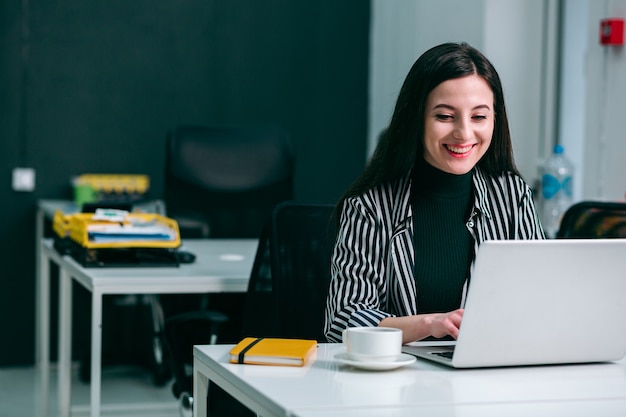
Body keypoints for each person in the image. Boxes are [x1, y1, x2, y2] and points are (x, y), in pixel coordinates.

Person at [324, 42, 545, 344]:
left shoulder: (511, 196)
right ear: (416, 119)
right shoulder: (370, 206)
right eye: (444, 116)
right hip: (395, 382)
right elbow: (343, 320)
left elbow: (538, 300)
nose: (464, 133)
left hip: (489, 377)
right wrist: (429, 324)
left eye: (479, 117)